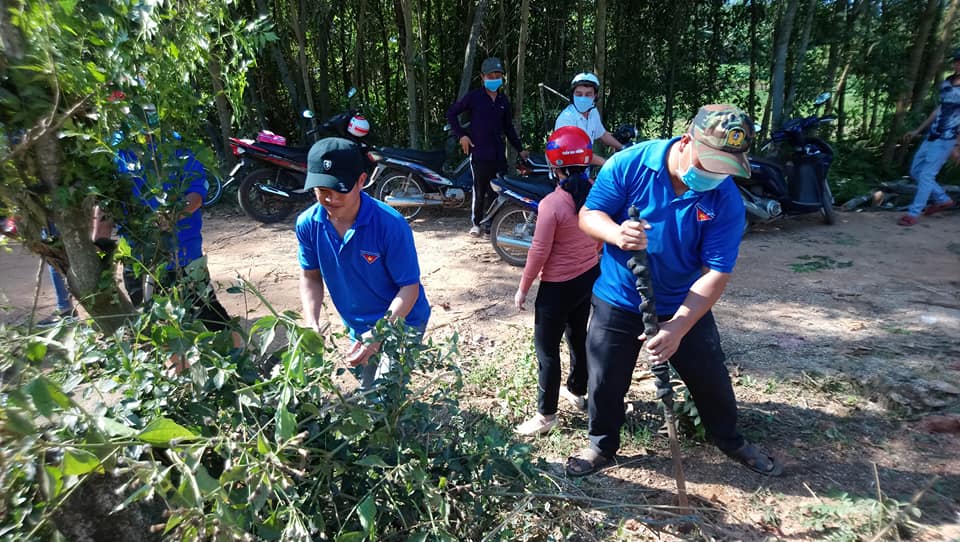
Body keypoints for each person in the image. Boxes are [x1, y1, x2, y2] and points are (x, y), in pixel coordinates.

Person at [566, 104, 782, 477]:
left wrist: (680, 325)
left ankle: (730, 440)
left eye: (726, 167)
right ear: (686, 142)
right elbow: (589, 214)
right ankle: (601, 445)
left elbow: (716, 272)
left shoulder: (725, 199)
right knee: (605, 380)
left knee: (710, 377)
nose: (716, 174)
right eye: (710, 162)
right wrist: (616, 233)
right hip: (618, 298)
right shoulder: (628, 164)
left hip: (683, 303)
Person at [296, 138, 431, 389]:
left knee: (385, 395)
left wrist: (380, 333)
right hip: (357, 325)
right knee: (368, 389)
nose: (331, 198)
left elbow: (409, 288)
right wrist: (311, 321)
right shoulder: (308, 224)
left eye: (340, 189)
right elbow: (310, 276)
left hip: (403, 322)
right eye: (322, 190)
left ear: (361, 181)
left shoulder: (390, 225)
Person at [94, 102, 233, 336]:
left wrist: (172, 216)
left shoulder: (178, 146)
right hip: (138, 259)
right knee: (154, 328)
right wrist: (98, 247)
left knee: (209, 317)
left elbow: (196, 194)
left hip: (184, 255)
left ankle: (237, 362)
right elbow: (105, 203)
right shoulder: (113, 152)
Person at [513, 127, 601, 437]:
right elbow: (602, 236)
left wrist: (523, 288)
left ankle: (546, 415)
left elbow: (538, 252)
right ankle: (577, 390)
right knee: (578, 335)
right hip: (589, 276)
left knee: (546, 350)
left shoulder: (552, 204)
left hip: (557, 287)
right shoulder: (598, 193)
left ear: (555, 166)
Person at [446, 56, 528, 237]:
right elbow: (452, 114)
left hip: (498, 153)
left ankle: (491, 223)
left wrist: (520, 148)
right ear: (482, 77)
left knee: (495, 189)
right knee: (479, 188)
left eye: (498, 75)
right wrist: (462, 136)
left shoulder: (503, 101)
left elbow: (508, 128)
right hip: (479, 152)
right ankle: (476, 224)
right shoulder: (474, 97)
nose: (494, 78)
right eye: (490, 75)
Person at [899, 49, 960, 226]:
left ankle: (913, 213)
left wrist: (957, 145)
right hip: (933, 134)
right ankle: (942, 199)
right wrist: (918, 130)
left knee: (926, 174)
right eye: (956, 60)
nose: (958, 63)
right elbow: (939, 110)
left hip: (948, 138)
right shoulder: (947, 83)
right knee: (916, 171)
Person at [554, 72, 624, 166]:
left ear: (595, 96)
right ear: (572, 95)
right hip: (566, 173)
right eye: (579, 94)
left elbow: (602, 134)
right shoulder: (566, 119)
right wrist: (609, 164)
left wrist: (623, 148)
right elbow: (578, 152)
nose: (583, 98)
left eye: (588, 94)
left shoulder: (593, 112)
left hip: (583, 170)